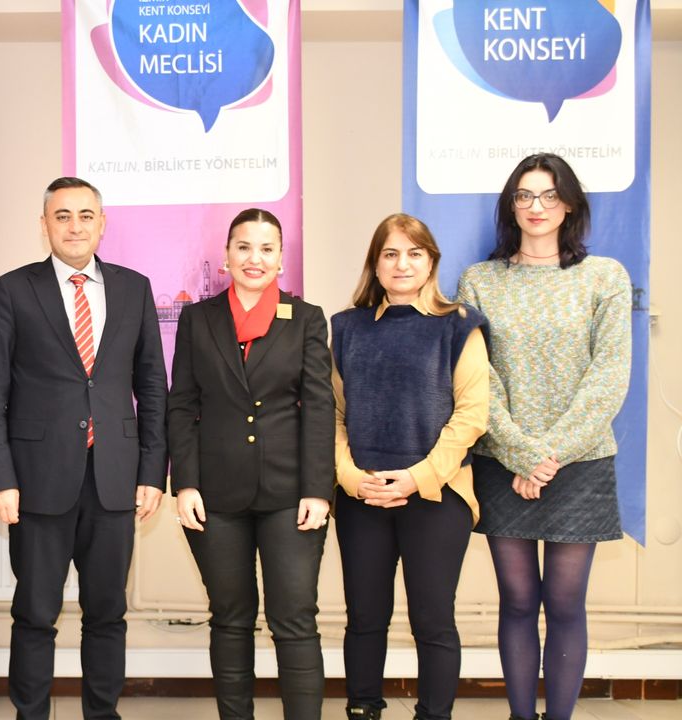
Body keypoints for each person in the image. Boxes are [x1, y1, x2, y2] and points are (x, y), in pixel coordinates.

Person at [0, 176, 168, 719]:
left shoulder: (134, 288)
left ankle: (102, 714)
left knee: (107, 613)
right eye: (62, 216)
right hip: (36, 482)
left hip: (114, 480)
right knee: (36, 614)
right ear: (44, 226)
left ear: (102, 224)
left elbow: (153, 388)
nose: (75, 226)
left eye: (85, 215)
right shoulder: (12, 290)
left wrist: (152, 472)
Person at [458, 153, 631, 720]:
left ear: (570, 206)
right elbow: (480, 379)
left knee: (564, 602)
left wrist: (546, 457)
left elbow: (609, 376)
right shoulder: (480, 280)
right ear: (511, 206)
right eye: (525, 195)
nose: (537, 207)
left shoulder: (605, 276)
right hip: (504, 461)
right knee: (516, 600)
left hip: (578, 462)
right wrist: (522, 455)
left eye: (550, 195)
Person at [168, 208, 334, 720]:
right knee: (230, 619)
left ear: (281, 258)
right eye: (243, 247)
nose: (254, 258)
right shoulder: (198, 319)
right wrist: (185, 483)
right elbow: (182, 405)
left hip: (291, 496)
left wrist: (318, 490)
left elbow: (320, 407)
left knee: (294, 620)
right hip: (215, 497)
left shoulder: (306, 318)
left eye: (266, 248)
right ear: (226, 256)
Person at [332, 214, 489, 720]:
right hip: (363, 496)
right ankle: (363, 709)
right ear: (375, 265)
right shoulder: (346, 328)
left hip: (437, 497)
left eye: (414, 253)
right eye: (391, 254)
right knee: (364, 619)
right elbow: (332, 415)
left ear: (431, 262)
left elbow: (471, 415)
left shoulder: (459, 324)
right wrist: (352, 479)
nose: (403, 264)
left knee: (433, 620)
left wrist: (417, 478)